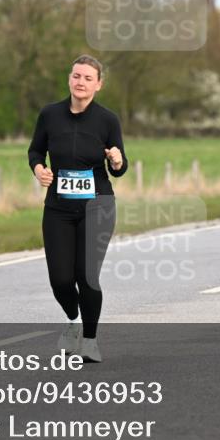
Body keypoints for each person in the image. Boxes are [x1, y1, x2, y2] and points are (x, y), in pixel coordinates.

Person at [28, 55, 127, 363]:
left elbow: (120, 165)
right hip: (58, 207)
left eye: (87, 78)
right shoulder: (50, 115)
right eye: (76, 76)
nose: (80, 82)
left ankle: (90, 340)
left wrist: (117, 161)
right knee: (60, 279)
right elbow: (35, 150)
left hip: (98, 206)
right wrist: (38, 168)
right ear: (69, 79)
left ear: (98, 84)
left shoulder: (107, 120)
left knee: (86, 276)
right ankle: (73, 320)